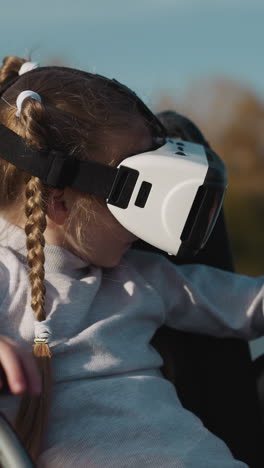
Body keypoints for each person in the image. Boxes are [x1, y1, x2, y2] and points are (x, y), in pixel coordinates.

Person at [0, 56, 263, 468]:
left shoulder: (140, 277)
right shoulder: (3, 275)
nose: (151, 228)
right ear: (59, 201)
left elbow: (246, 304)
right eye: (145, 194)